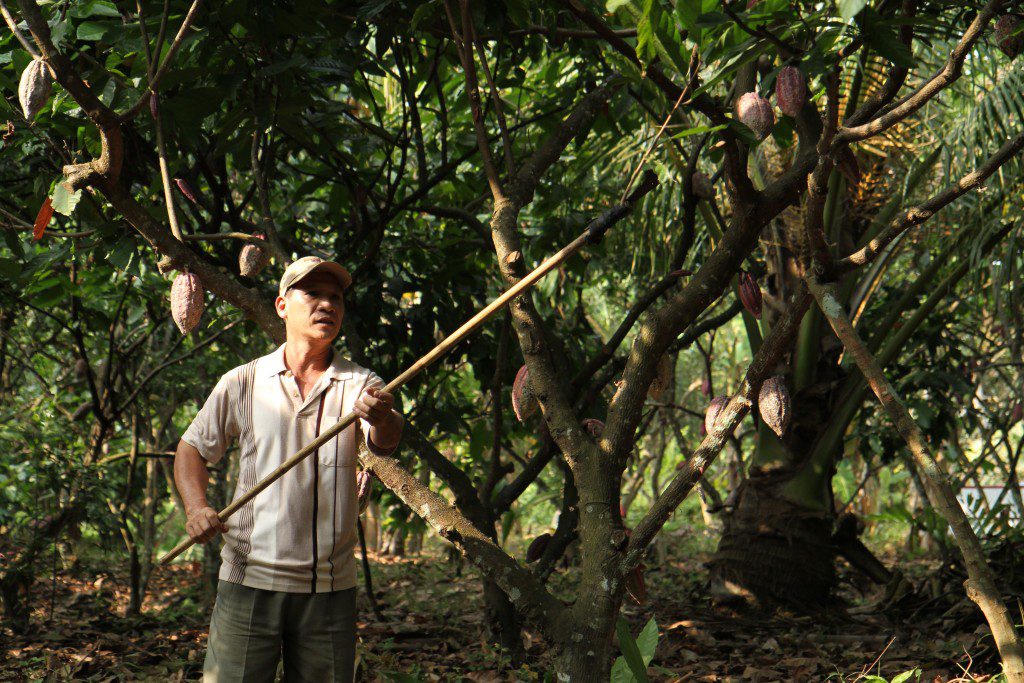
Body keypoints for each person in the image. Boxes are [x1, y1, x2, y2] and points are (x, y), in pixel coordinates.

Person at [173, 256, 404, 682]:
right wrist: (196, 508)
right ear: (282, 306)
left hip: (329, 589)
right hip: (248, 579)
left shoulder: (361, 384)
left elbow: (385, 442)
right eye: (312, 294)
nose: (327, 305)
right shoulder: (242, 381)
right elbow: (191, 449)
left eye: (335, 297)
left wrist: (384, 416)